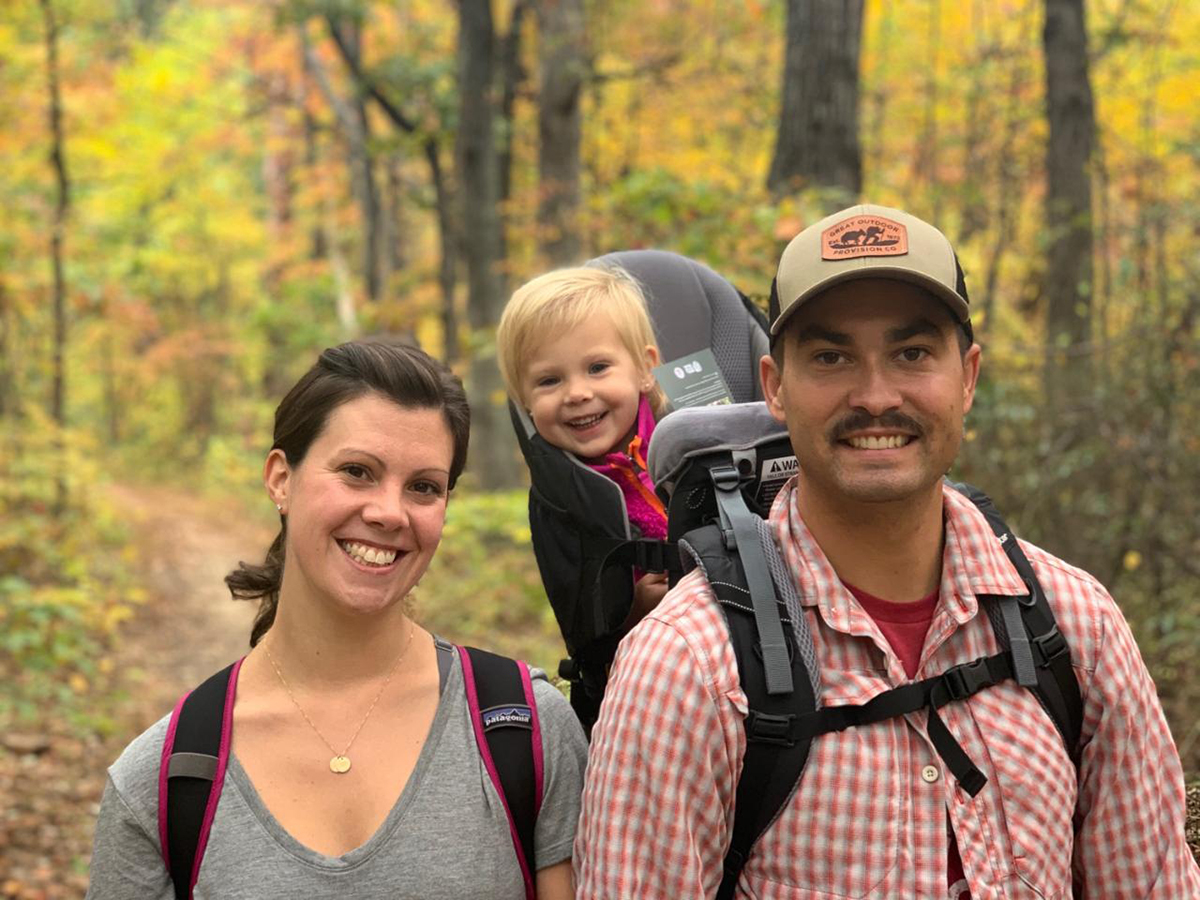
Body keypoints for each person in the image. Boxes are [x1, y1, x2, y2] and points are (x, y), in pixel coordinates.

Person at [574, 204, 1200, 898]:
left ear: (967, 376)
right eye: (832, 357)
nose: (875, 396)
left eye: (912, 354)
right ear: (776, 388)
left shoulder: (1077, 629)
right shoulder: (687, 663)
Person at [87, 340, 587, 899]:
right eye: (357, 471)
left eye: (423, 486)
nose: (388, 512)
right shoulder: (164, 782)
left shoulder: (525, 733)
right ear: (281, 478)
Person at [497, 266, 671, 621]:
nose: (577, 394)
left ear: (644, 368)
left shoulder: (686, 442)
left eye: (597, 368)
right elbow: (582, 630)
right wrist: (635, 610)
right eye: (549, 380)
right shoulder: (558, 503)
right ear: (524, 400)